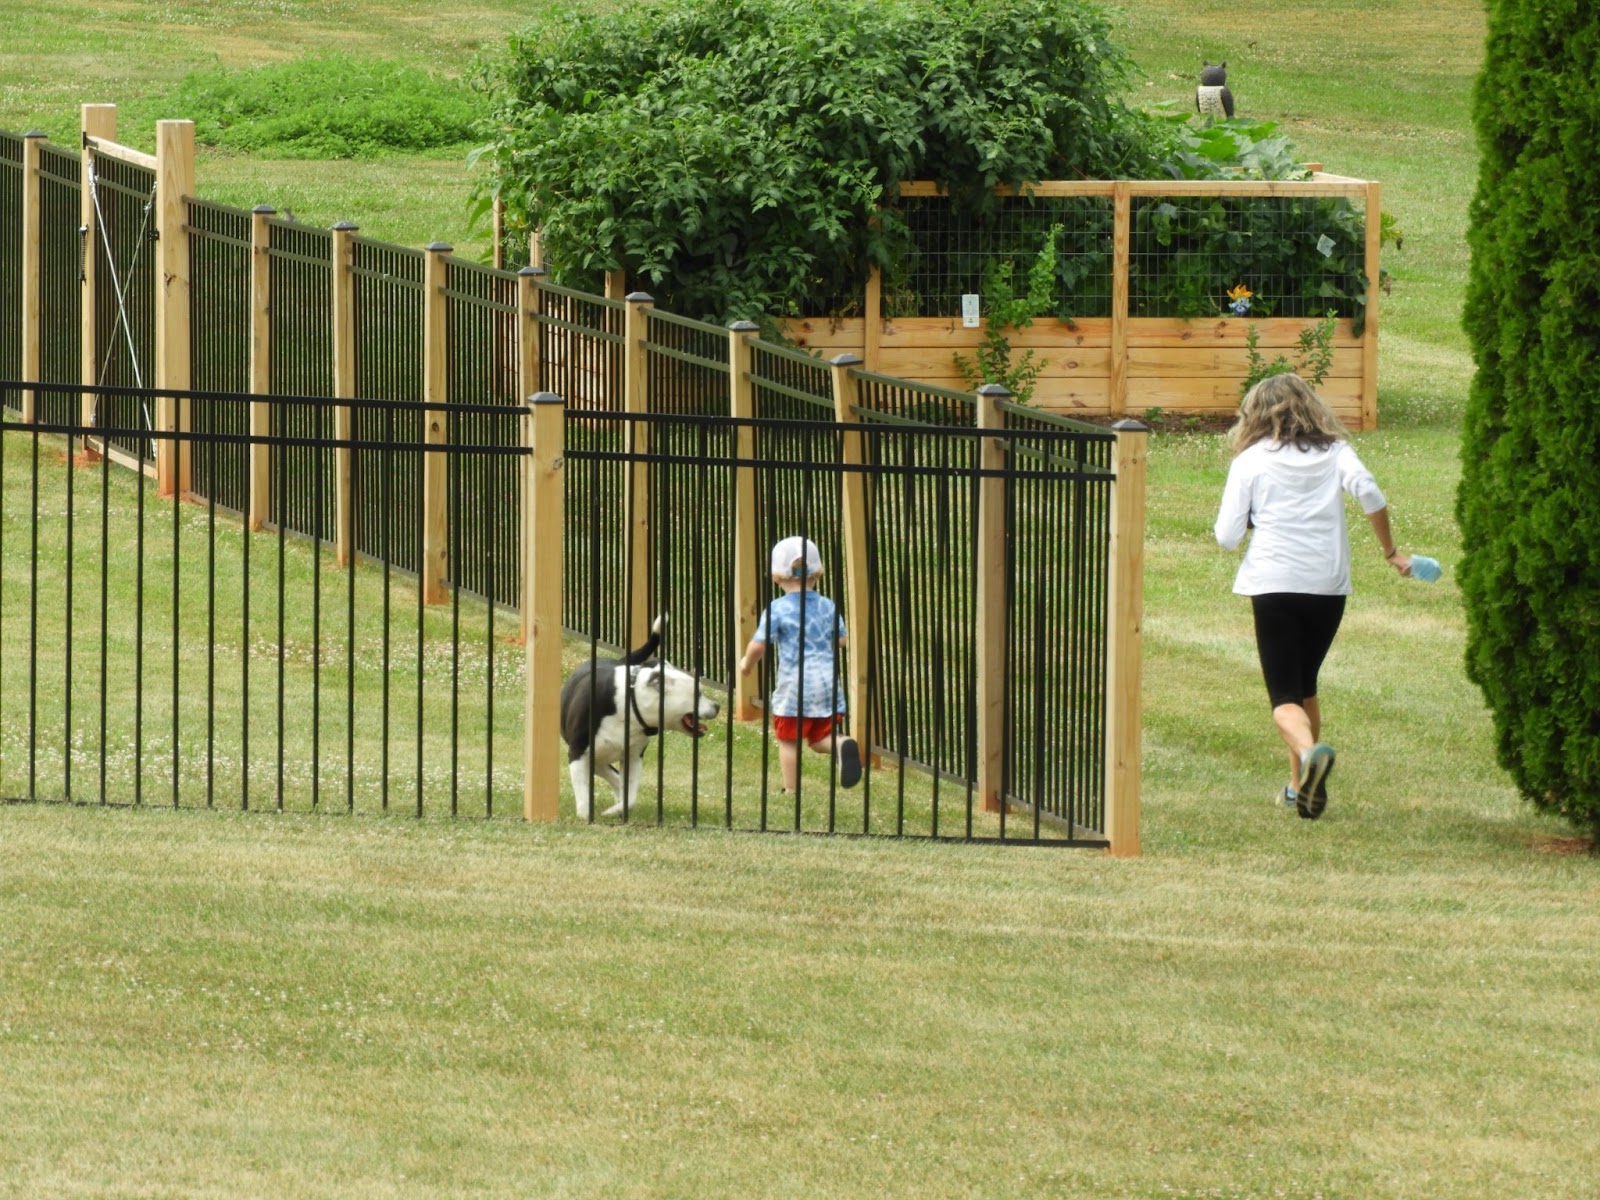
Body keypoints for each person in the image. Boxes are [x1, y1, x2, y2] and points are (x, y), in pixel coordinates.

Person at [1213, 373, 1415, 819]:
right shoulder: (1336, 451)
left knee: (1284, 694)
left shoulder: (1250, 461)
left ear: (1255, 414)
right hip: (1327, 586)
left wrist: (1249, 523)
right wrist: (1391, 552)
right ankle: (1296, 787)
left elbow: (1226, 537)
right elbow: (1370, 492)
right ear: (1310, 407)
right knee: (1306, 684)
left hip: (1274, 584)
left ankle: (1309, 756)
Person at [738, 536, 862, 792]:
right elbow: (841, 640)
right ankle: (842, 744)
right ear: (818, 572)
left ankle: (791, 791)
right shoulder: (828, 606)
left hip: (794, 689)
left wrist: (746, 664)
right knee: (819, 739)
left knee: (788, 740)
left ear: (776, 577)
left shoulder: (778, 609)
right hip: (826, 686)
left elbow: (759, 644)